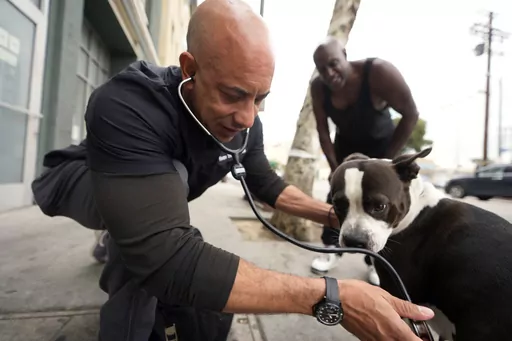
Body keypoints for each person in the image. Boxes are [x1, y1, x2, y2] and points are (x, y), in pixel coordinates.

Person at [31, 1, 433, 340]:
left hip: (147, 194)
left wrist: (340, 215)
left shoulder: (247, 123)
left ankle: (124, 230)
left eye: (260, 98)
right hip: (78, 178)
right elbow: (167, 259)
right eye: (234, 94)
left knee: (154, 217)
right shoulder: (128, 105)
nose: (247, 116)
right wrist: (331, 296)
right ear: (190, 67)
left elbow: (267, 185)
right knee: (143, 257)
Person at [309, 38, 420, 283]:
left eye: (334, 63)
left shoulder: (378, 72)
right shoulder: (318, 87)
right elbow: (322, 130)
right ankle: (331, 249)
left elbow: (411, 113)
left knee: (380, 206)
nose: (329, 73)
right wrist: (334, 166)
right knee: (337, 200)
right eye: (322, 68)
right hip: (345, 151)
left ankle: (374, 260)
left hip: (382, 149)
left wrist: (388, 163)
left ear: (345, 55)